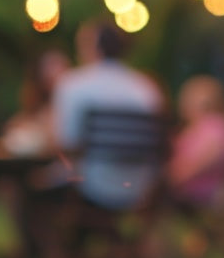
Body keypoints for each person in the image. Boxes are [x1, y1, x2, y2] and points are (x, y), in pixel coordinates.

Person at [51, 21, 164, 210]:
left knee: (26, 187)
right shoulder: (147, 89)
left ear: (93, 47)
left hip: (89, 186)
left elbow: (66, 142)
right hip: (141, 187)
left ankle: (49, 240)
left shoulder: (73, 84)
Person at [168, 75, 224, 208]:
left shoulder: (213, 127)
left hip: (197, 195)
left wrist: (171, 179)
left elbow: (206, 159)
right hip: (195, 192)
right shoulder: (209, 126)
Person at [3, 49, 70, 156]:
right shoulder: (38, 102)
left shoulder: (70, 105)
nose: (53, 72)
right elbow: (13, 125)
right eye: (49, 67)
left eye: (58, 66)